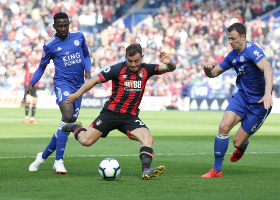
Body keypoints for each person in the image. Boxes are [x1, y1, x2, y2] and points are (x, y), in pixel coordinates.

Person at [61, 43, 176, 180]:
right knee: (86, 141)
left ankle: (146, 170)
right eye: (130, 61)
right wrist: (77, 95)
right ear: (125, 58)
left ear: (142, 58)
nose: (133, 64)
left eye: (136, 61)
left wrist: (170, 63)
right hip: (110, 113)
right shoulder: (117, 69)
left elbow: (170, 68)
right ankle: (75, 128)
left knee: (148, 138)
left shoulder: (147, 69)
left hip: (130, 117)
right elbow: (93, 81)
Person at [201, 22, 273, 178]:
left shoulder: (253, 51)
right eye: (229, 39)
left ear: (243, 37)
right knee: (223, 126)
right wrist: (207, 70)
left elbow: (268, 68)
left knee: (237, 142)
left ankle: (242, 146)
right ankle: (217, 170)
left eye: (233, 39)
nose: (230, 42)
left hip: (260, 104)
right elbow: (214, 73)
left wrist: (268, 94)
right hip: (242, 97)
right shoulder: (232, 55)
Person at [23, 12, 91, 174]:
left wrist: (87, 71)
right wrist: (32, 83)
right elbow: (41, 67)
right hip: (63, 83)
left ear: (69, 24)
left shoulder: (79, 36)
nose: (63, 28)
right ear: (54, 26)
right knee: (67, 116)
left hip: (79, 85)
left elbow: (87, 55)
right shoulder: (50, 45)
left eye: (65, 25)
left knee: (67, 124)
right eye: (59, 26)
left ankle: (42, 156)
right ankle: (58, 161)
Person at [22, 50, 40, 124]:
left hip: (35, 85)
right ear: (30, 55)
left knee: (35, 101)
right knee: (28, 100)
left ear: (36, 55)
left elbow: (41, 72)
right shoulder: (27, 62)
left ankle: (32, 118)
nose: (33, 56)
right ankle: (26, 118)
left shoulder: (39, 63)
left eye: (34, 54)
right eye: (32, 54)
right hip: (27, 84)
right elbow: (22, 71)